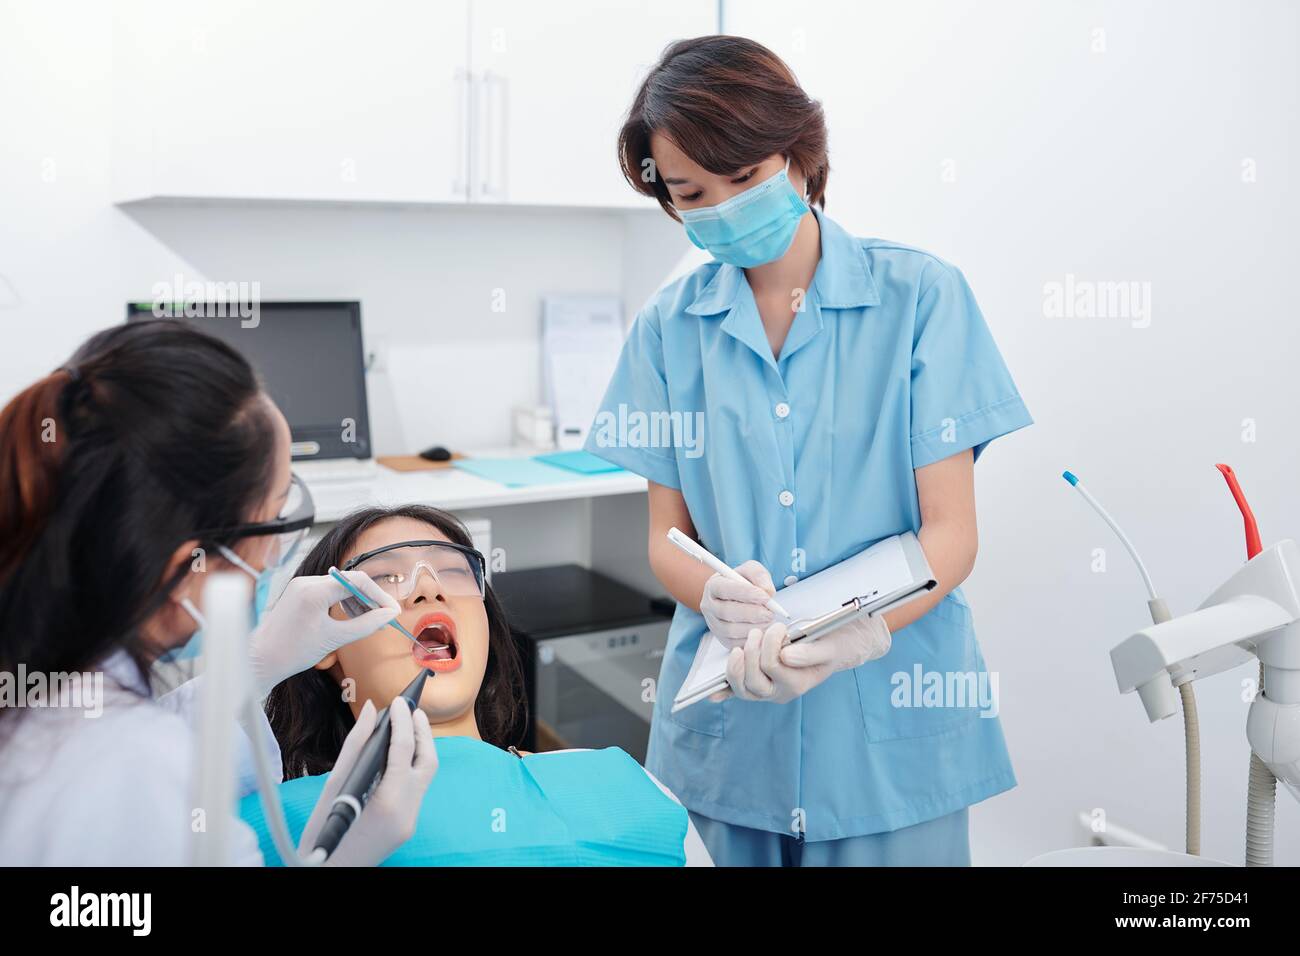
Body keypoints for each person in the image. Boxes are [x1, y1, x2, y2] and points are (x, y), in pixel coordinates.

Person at [584, 35, 1033, 865]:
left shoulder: (921, 299)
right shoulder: (667, 329)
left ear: (796, 153)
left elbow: (952, 536)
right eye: (689, 192)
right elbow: (666, 538)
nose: (719, 206)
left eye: (743, 178)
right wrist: (716, 593)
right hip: (728, 740)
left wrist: (856, 632)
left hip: (890, 734)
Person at [0, 320, 435, 865]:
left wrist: (255, 667)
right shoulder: (127, 769)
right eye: (276, 519)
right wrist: (342, 854)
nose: (427, 593)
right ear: (191, 564)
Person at [243, 504, 711, 865]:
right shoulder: (267, 825)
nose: (429, 590)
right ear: (323, 643)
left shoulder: (620, 779)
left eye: (453, 571)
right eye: (385, 577)